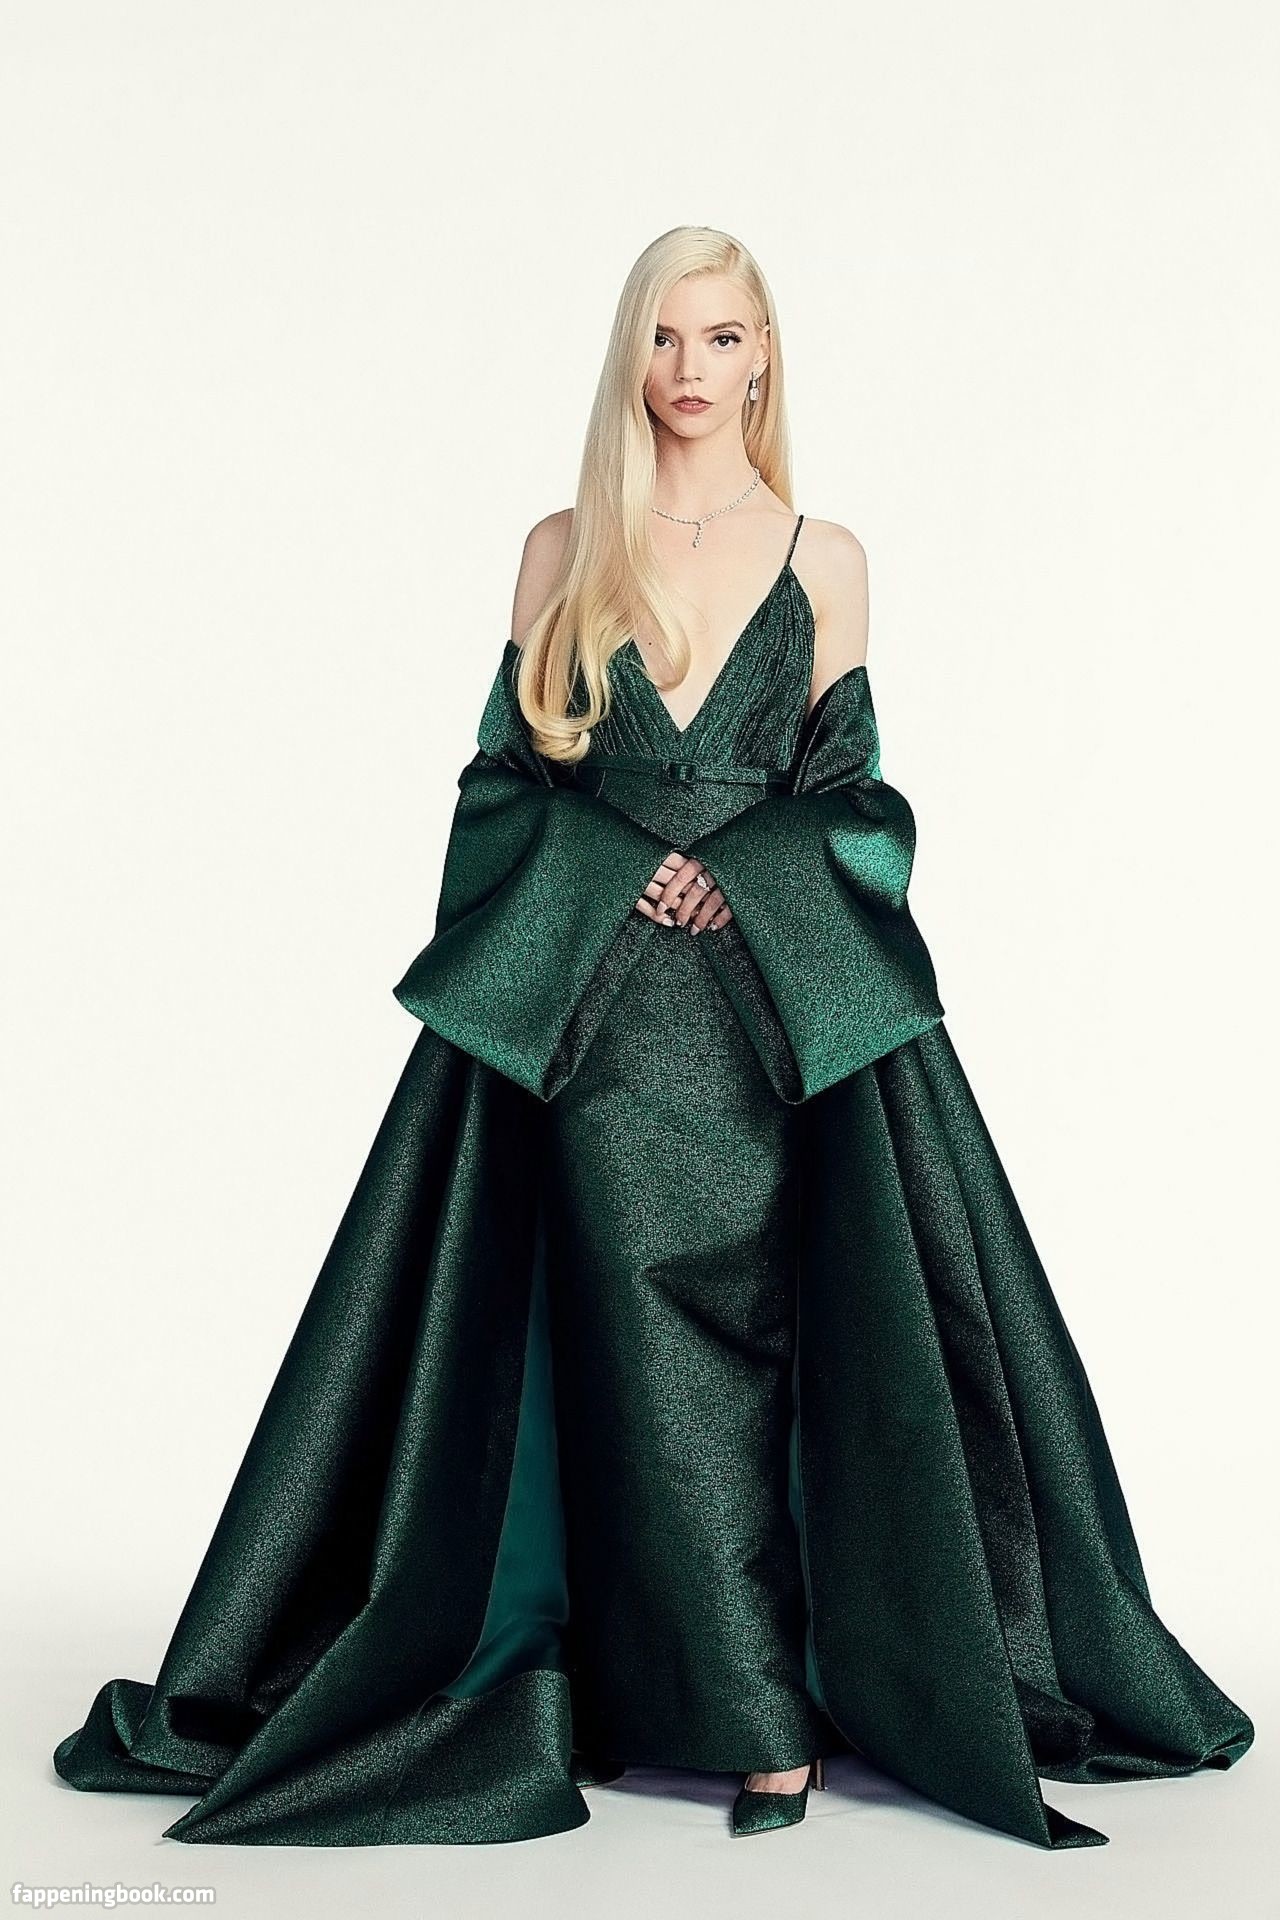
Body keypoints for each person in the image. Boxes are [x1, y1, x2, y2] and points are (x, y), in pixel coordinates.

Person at [51, 226, 1253, 1850]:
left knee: (801, 1337)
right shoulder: (565, 548)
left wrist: (738, 875)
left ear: (765, 357)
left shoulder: (826, 559)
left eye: (723, 336)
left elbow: (855, 802)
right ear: (635, 355)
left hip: (770, 1016)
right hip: (592, 1008)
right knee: (595, 1342)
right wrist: (621, 866)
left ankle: (778, 1717)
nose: (692, 368)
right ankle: (656, 1696)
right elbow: (501, 785)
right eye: (667, 337)